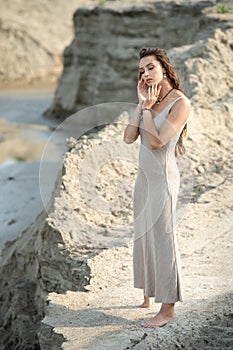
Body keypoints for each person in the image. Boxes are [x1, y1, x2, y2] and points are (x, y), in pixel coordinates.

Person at [123, 47, 191, 328]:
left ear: (164, 68)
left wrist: (149, 110)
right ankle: (149, 294)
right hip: (144, 179)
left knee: (163, 241)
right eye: (141, 70)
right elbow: (129, 137)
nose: (146, 74)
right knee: (144, 236)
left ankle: (168, 309)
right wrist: (141, 105)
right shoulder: (148, 100)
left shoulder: (181, 103)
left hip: (163, 180)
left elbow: (157, 142)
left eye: (150, 68)